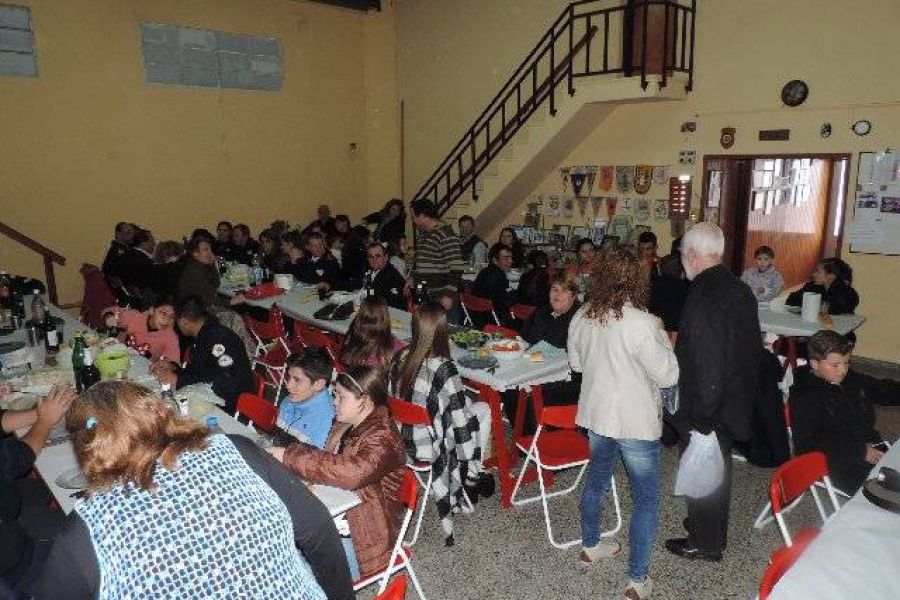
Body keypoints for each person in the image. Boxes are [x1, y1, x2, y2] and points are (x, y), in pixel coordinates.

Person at [39, 381, 351, 600]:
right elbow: (319, 530)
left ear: (86, 449)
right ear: (161, 412)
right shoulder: (236, 449)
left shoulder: (85, 532)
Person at [568, 246, 679, 599]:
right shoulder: (644, 323)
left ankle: (590, 546)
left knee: (597, 481)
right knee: (645, 499)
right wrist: (662, 335)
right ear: (636, 279)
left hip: (599, 415)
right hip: (635, 421)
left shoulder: (583, 315)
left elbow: (577, 365)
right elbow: (667, 374)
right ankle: (636, 579)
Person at [665, 222, 762, 562]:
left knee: (701, 471)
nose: (681, 260)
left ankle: (704, 543)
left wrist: (701, 418)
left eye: (681, 254)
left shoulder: (703, 296)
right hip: (734, 398)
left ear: (690, 254)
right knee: (717, 472)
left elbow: (707, 362)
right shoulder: (739, 287)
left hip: (709, 405)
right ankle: (711, 531)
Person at [269, 367, 406, 582]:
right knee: (278, 544)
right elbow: (329, 462)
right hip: (345, 514)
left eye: (341, 396)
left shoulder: (383, 438)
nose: (334, 401)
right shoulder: (346, 424)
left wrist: (290, 456)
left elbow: (350, 473)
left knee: (296, 574)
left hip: (367, 535)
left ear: (365, 400)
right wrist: (293, 453)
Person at [388, 302, 493, 545]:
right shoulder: (444, 368)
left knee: (464, 403)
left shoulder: (399, 356)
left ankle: (472, 475)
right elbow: (459, 421)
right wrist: (467, 453)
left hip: (400, 438)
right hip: (428, 447)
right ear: (442, 331)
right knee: (483, 409)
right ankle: (472, 476)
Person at [790, 330, 900, 494]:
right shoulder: (804, 395)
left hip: (870, 447)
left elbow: (882, 389)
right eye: (835, 365)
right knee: (891, 492)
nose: (842, 370)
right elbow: (807, 443)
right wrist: (859, 451)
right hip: (837, 460)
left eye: (847, 363)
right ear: (814, 364)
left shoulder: (848, 379)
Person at [1, 386, 75, 596]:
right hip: (12, 563)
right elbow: (18, 456)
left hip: (14, 520)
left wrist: (40, 414)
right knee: (81, 530)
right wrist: (44, 422)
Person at [151, 296, 254, 414]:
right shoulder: (204, 334)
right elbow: (202, 372)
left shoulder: (217, 339)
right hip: (215, 395)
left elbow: (224, 380)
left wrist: (179, 380)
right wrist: (174, 368)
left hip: (232, 407)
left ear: (184, 322)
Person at [515, 271, 582, 428]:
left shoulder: (579, 318)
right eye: (554, 289)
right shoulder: (541, 312)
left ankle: (538, 439)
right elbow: (523, 338)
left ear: (573, 295)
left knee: (527, 394)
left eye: (564, 290)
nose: (558, 294)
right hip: (533, 367)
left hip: (566, 378)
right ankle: (524, 439)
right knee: (512, 389)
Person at [409, 199, 465, 322]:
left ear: (423, 217)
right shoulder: (423, 235)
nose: (412, 220)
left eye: (413, 217)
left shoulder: (445, 234)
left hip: (442, 296)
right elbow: (421, 261)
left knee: (445, 336)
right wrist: (413, 277)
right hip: (426, 294)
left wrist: (448, 295)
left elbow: (457, 267)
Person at [276, 348, 336, 450]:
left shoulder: (327, 421)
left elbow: (313, 463)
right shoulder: (290, 399)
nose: (288, 385)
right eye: (288, 377)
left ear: (318, 384)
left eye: (297, 380)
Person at [102, 294, 180, 362]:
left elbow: (173, 360)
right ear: (152, 310)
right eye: (163, 314)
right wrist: (109, 316)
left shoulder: (171, 337)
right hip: (120, 358)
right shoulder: (136, 317)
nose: (167, 320)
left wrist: (168, 364)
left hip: (143, 372)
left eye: (172, 317)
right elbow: (113, 311)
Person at [177, 236, 245, 309]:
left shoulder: (202, 266)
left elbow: (216, 283)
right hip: (194, 312)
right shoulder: (193, 271)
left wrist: (212, 264)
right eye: (206, 250)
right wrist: (230, 302)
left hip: (202, 307)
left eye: (210, 249)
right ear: (195, 253)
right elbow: (208, 299)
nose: (210, 253)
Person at [341, 296, 406, 370]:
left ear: (360, 316)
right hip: (380, 379)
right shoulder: (395, 345)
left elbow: (346, 358)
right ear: (386, 317)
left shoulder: (353, 337)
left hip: (357, 377)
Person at [787, 257, 859, 315]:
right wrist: (815, 306)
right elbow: (791, 299)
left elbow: (836, 309)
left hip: (836, 331)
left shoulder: (849, 293)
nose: (813, 274)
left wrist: (809, 305)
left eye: (818, 271)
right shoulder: (812, 286)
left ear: (831, 275)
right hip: (813, 326)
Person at [471, 242, 517, 327]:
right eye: (506, 258)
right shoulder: (499, 277)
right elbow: (505, 302)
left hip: (476, 318)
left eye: (511, 258)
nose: (511, 261)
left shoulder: (484, 272)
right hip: (493, 320)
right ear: (495, 260)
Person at [648, 253, 689, 333]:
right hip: (675, 338)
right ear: (682, 272)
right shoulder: (688, 291)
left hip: (651, 332)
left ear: (660, 269)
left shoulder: (650, 285)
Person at [366, 242, 407, 310]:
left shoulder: (391, 276)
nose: (374, 260)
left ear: (386, 257)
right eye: (371, 257)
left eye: (378, 256)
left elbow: (393, 307)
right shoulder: (380, 272)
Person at [340, 225, 371, 290]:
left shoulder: (348, 244)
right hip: (358, 280)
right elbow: (364, 267)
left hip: (349, 279)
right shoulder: (358, 248)